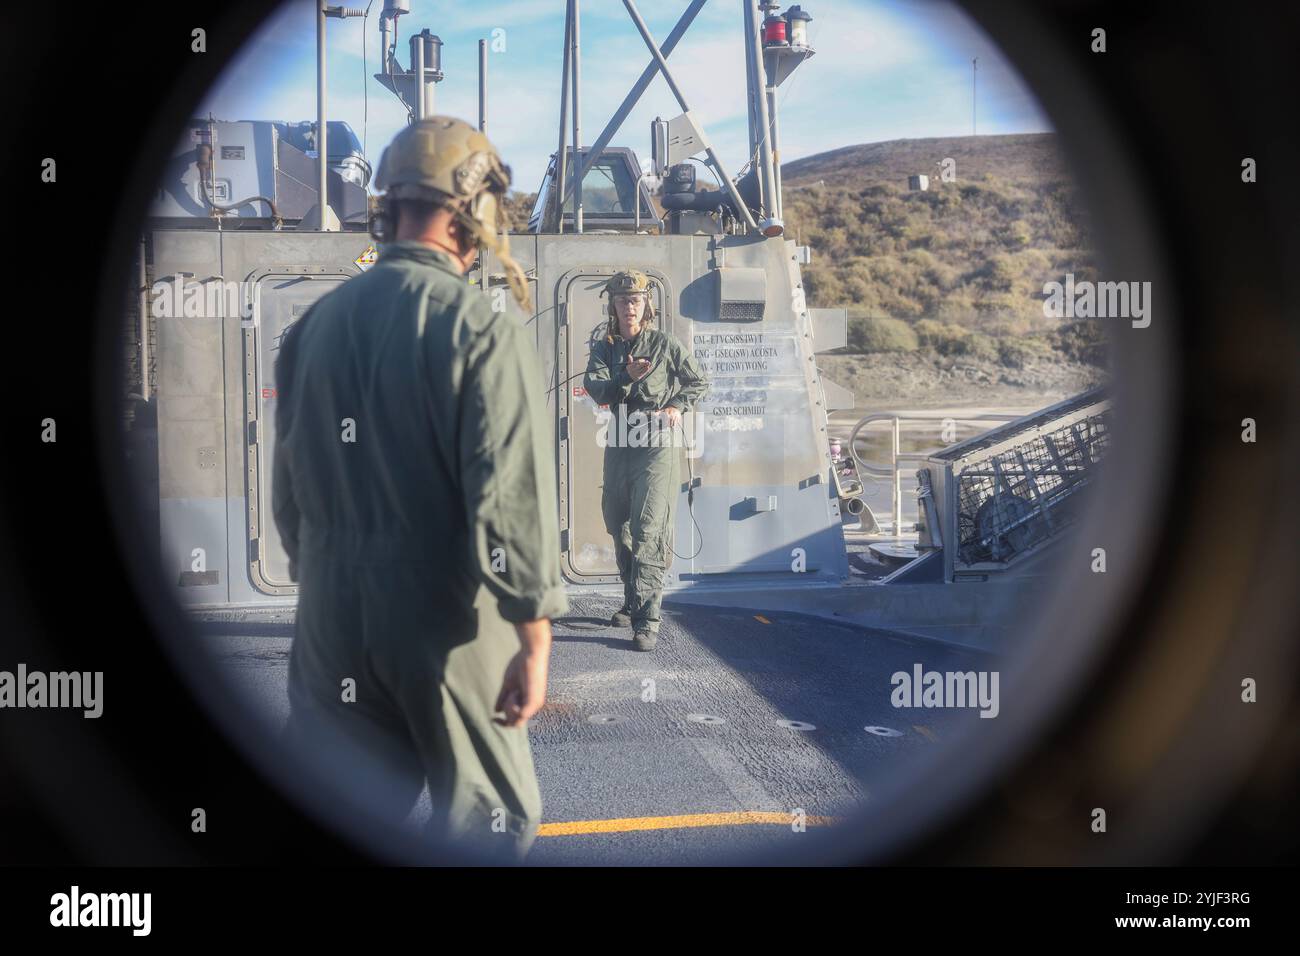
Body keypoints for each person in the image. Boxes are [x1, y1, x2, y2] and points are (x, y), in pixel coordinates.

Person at [272, 116, 567, 861]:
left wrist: (329, 581)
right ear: (474, 207)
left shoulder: (315, 325)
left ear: (391, 203)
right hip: (441, 617)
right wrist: (533, 638)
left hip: (329, 615)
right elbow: (509, 505)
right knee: (490, 821)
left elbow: (289, 491)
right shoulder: (481, 330)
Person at [582, 270, 709, 651]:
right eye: (622, 300)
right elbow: (596, 388)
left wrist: (675, 405)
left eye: (635, 300)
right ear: (613, 306)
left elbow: (698, 381)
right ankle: (631, 598)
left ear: (646, 305)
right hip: (621, 441)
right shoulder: (605, 348)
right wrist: (626, 377)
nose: (629, 306)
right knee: (617, 522)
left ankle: (647, 620)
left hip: (656, 444)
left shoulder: (664, 345)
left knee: (649, 528)